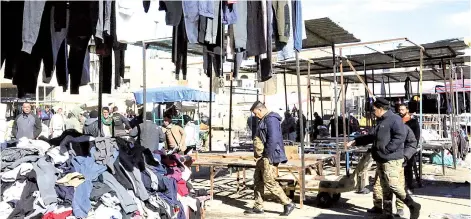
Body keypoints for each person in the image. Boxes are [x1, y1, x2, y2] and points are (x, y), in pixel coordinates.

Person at [347, 97, 421, 219]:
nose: (373, 112)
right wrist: (356, 141)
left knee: (393, 185)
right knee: (385, 187)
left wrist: (387, 150)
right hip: (381, 159)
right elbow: (372, 136)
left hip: (391, 159)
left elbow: (400, 137)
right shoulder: (381, 120)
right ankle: (387, 214)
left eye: (374, 109)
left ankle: (412, 205)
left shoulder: (395, 120)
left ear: (381, 109)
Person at [244, 101, 295, 216]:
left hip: (269, 157)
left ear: (261, 110)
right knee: (257, 180)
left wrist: (267, 155)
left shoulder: (271, 119)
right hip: (262, 157)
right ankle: (258, 206)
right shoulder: (263, 119)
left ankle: (287, 203)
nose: (256, 116)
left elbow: (273, 138)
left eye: (256, 113)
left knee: (268, 181)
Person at [370, 124, 418, 217]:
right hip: (382, 162)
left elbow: (412, 143)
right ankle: (384, 211)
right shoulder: (381, 126)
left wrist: (404, 156)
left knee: (396, 186)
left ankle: (407, 206)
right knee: (382, 187)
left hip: (396, 163)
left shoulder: (403, 128)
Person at [398, 103, 422, 190]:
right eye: (399, 110)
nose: (400, 111)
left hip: (409, 147)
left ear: (407, 110)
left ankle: (409, 184)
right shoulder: (398, 121)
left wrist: (412, 148)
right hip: (399, 147)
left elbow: (416, 136)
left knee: (408, 166)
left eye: (402, 110)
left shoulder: (413, 122)